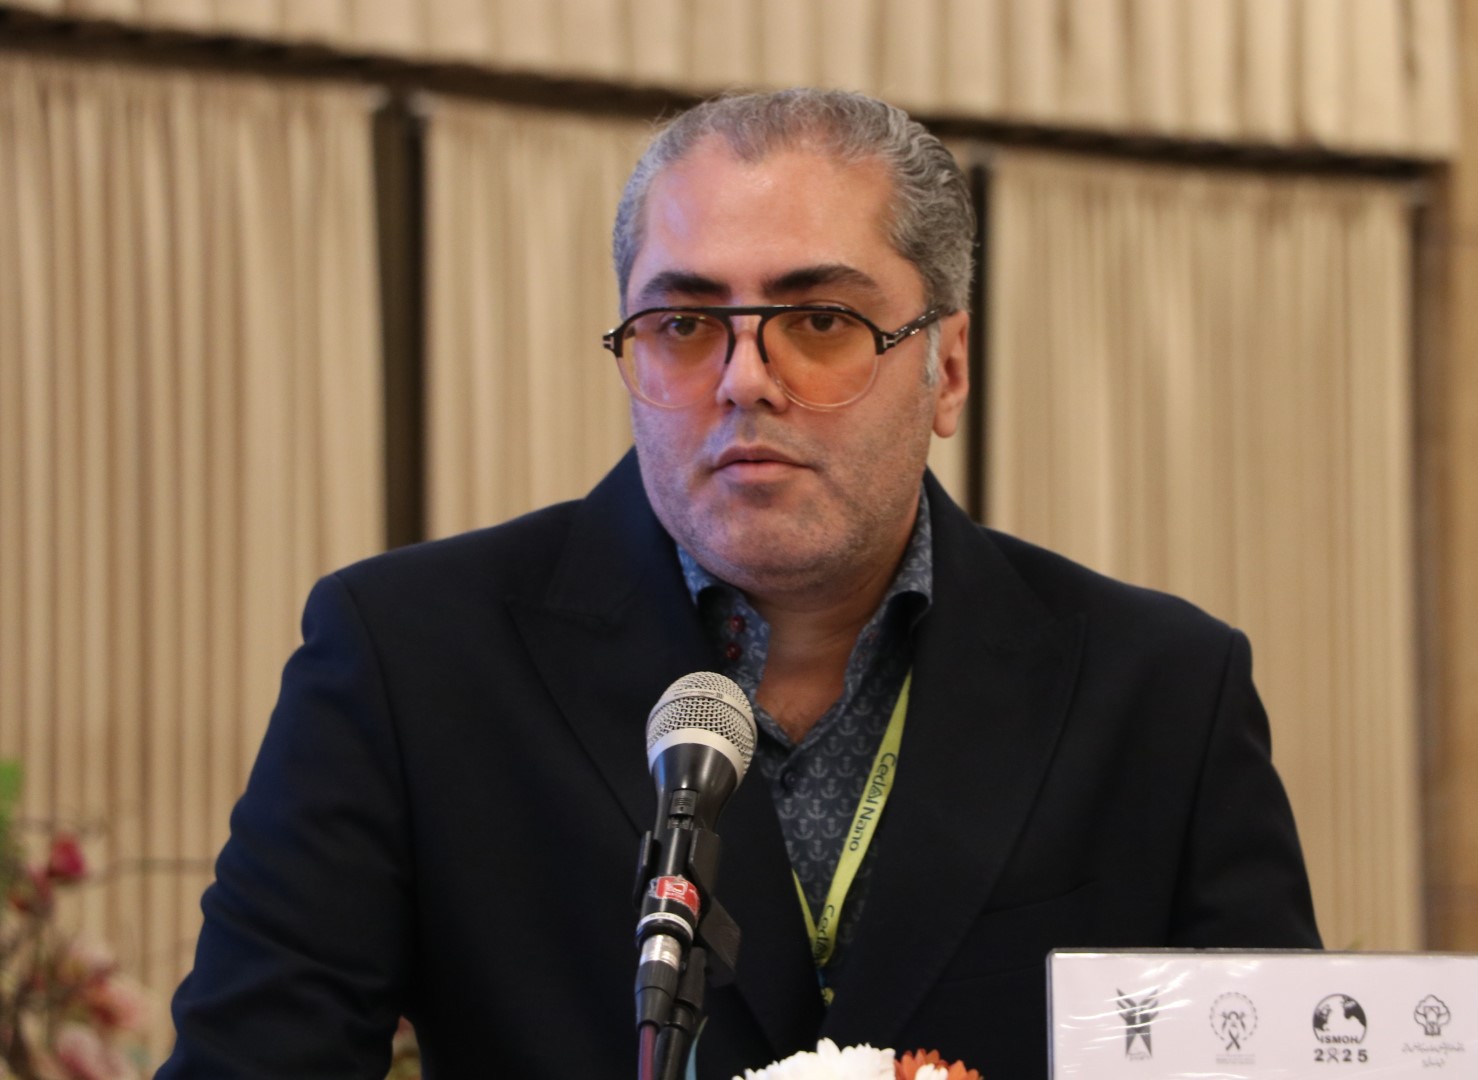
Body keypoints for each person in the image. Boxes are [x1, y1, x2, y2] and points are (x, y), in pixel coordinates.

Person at [158, 88, 1318, 1079]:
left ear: (948, 368)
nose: (744, 379)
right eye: (683, 322)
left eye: (818, 319)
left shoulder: (1159, 691)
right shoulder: (410, 658)